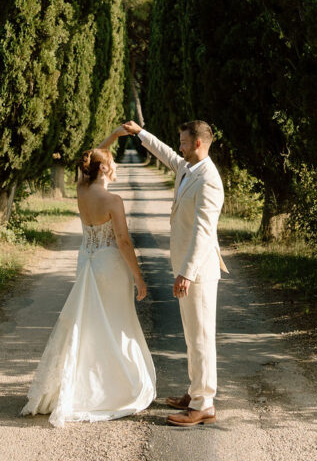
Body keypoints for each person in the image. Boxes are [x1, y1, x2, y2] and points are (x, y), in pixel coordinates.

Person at [20, 126, 156, 426]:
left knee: (90, 324)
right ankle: (112, 388)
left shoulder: (82, 190)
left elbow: (89, 160)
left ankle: (82, 384)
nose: (117, 165)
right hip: (110, 266)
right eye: (113, 162)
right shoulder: (113, 201)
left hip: (87, 261)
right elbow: (122, 241)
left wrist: (112, 139)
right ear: (105, 168)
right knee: (117, 325)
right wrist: (138, 276)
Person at [123, 119, 227, 427]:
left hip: (199, 271)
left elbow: (203, 233)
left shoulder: (210, 180)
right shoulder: (187, 167)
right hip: (186, 268)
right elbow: (165, 153)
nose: (179, 147)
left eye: (183, 142)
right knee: (192, 335)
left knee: (201, 337)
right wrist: (140, 132)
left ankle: (204, 404)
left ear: (198, 143)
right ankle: (196, 393)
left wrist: (187, 273)